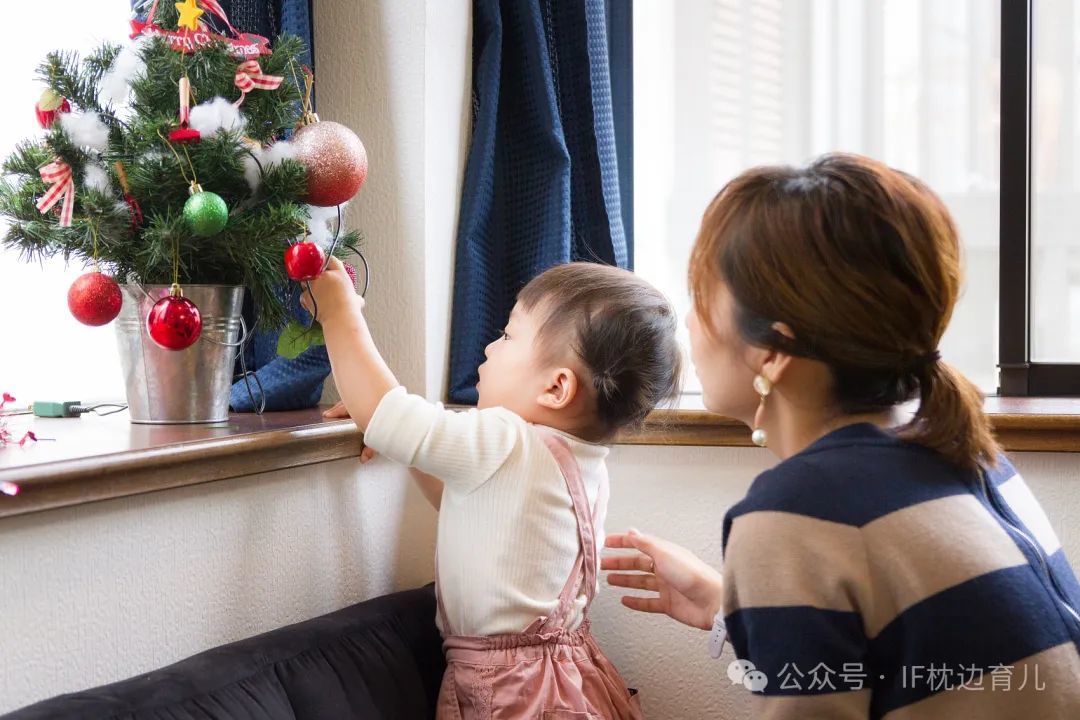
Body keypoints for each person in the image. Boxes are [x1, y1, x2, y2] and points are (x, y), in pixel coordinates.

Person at [603, 153, 1080, 718]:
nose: (688, 322)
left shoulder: (800, 512)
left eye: (702, 299)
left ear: (773, 350)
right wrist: (726, 609)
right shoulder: (964, 451)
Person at [304, 260, 682, 719]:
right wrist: (392, 437)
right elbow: (467, 502)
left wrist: (338, 312)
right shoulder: (583, 463)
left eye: (507, 336)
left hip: (507, 689)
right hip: (565, 677)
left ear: (557, 387)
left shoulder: (508, 438)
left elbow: (391, 415)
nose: (488, 347)